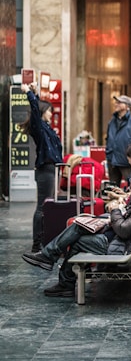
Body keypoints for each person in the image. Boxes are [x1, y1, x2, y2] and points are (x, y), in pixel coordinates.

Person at [22, 162, 131, 298]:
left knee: (77, 235)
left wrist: (115, 211)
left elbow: (123, 231)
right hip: (114, 237)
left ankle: (57, 271)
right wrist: (119, 209)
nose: (130, 183)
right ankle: (55, 266)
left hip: (116, 245)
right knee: (80, 225)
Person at [20, 82, 63, 253]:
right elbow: (35, 111)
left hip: (51, 170)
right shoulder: (39, 129)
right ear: (43, 112)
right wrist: (29, 94)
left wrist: (35, 93)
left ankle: (44, 239)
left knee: (47, 205)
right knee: (42, 206)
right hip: (45, 170)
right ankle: (37, 243)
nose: (51, 113)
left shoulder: (46, 128)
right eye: (49, 111)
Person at [105, 95, 131, 186]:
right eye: (116, 102)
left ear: (127, 106)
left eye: (119, 103)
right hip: (112, 161)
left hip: (127, 162)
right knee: (112, 188)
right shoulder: (112, 122)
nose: (116, 104)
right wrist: (108, 154)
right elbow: (108, 139)